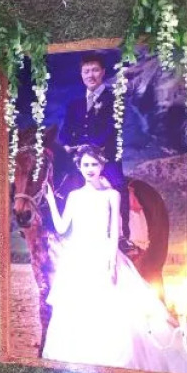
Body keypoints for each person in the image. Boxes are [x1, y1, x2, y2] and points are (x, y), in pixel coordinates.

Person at [41, 145, 187, 373]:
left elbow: (113, 232)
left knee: (114, 310)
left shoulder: (111, 195)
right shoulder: (74, 196)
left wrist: (112, 262)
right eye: (85, 165)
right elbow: (62, 228)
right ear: (79, 167)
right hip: (78, 258)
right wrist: (52, 201)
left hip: (104, 254)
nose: (90, 169)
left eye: (94, 164)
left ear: (101, 165)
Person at [58, 53, 133, 252]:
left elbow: (110, 129)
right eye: (86, 71)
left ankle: (123, 235)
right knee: (59, 183)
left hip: (106, 159)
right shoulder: (74, 104)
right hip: (78, 160)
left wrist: (88, 148)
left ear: (103, 72)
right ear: (81, 74)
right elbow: (65, 132)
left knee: (118, 185)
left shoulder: (114, 100)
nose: (90, 75)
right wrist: (66, 144)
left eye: (95, 70)